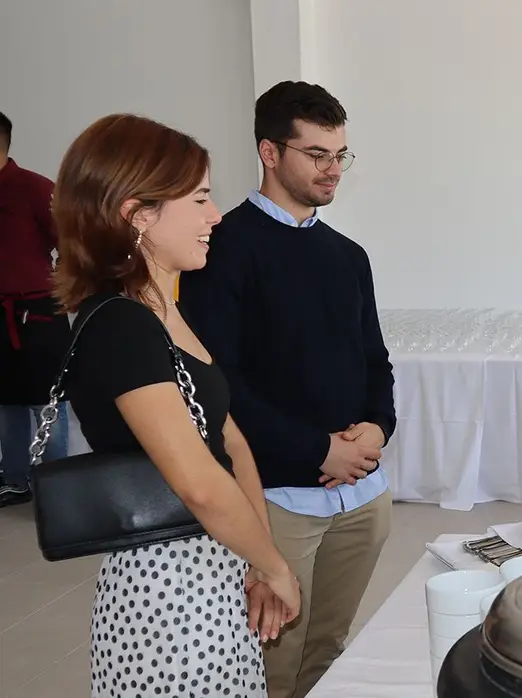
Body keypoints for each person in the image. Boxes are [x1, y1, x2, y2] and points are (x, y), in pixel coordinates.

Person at [51, 113, 300, 698]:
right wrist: (276, 568)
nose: (215, 217)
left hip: (216, 568)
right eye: (199, 199)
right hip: (167, 596)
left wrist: (258, 560)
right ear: (138, 215)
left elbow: (230, 440)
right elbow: (199, 483)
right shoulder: (121, 326)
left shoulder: (161, 311)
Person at [178, 80, 395, 698]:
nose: (333, 170)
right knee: (272, 657)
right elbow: (218, 383)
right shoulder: (222, 248)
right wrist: (316, 450)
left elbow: (376, 360)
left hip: (361, 495)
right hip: (276, 495)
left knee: (329, 651)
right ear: (270, 153)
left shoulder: (347, 256)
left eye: (340, 155)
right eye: (316, 154)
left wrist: (378, 428)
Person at [0, 111, 71, 507]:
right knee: (6, 402)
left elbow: (70, 243)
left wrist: (59, 288)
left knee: (48, 403)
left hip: (38, 312)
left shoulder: (33, 188)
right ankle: (15, 480)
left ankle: (57, 488)